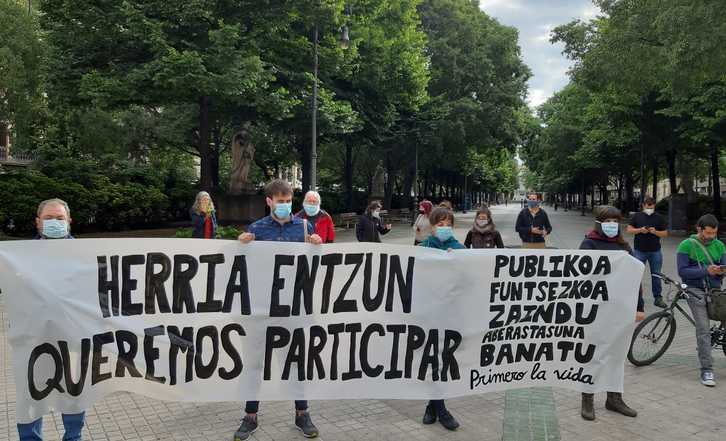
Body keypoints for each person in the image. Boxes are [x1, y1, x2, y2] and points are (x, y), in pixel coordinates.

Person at [236, 179, 322, 440]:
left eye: (288, 201)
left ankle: (302, 413)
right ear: (269, 201)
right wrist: (241, 244)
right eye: (280, 201)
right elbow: (243, 265)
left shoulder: (305, 227)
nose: (284, 205)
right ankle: (250, 416)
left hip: (292, 309)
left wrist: (316, 244)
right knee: (254, 363)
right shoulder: (257, 229)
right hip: (262, 309)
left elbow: (313, 265)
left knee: (294, 362)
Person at [18, 198, 86, 440]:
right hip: (32, 337)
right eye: (48, 218)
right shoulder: (18, 257)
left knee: (73, 392)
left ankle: (73, 437)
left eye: (59, 218)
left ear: (69, 221)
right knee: (30, 394)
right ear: (38, 223)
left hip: (73, 337)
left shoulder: (86, 256)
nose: (54, 222)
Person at [579, 205, 642, 421]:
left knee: (617, 354)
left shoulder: (623, 246)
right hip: (596, 309)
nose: (612, 225)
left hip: (620, 309)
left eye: (616, 221)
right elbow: (580, 276)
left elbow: (636, 277)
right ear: (599, 222)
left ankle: (614, 398)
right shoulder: (589, 243)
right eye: (608, 221)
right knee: (593, 354)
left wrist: (640, 306)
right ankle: (587, 399)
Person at [418, 207, 464, 431]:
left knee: (443, 360)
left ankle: (433, 407)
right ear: (432, 226)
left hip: (450, 314)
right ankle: (439, 408)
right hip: (428, 313)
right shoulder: (424, 248)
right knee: (431, 360)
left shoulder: (460, 249)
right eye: (440, 224)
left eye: (448, 224)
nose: (444, 228)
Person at [676, 214, 726, 387]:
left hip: (715, 292)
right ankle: (707, 370)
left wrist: (721, 271)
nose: (712, 237)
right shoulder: (686, 245)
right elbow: (682, 272)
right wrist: (707, 271)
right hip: (694, 289)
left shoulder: (719, 245)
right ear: (699, 229)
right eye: (709, 233)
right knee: (703, 328)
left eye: (714, 233)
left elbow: (724, 266)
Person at [627, 196, 668, 308]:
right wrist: (640, 230)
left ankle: (658, 297)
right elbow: (629, 229)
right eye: (647, 205)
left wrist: (655, 232)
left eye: (651, 205)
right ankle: (635, 297)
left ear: (654, 205)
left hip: (655, 251)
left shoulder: (659, 218)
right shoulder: (637, 216)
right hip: (639, 250)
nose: (649, 207)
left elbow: (665, 233)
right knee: (636, 274)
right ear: (643, 205)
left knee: (656, 274)